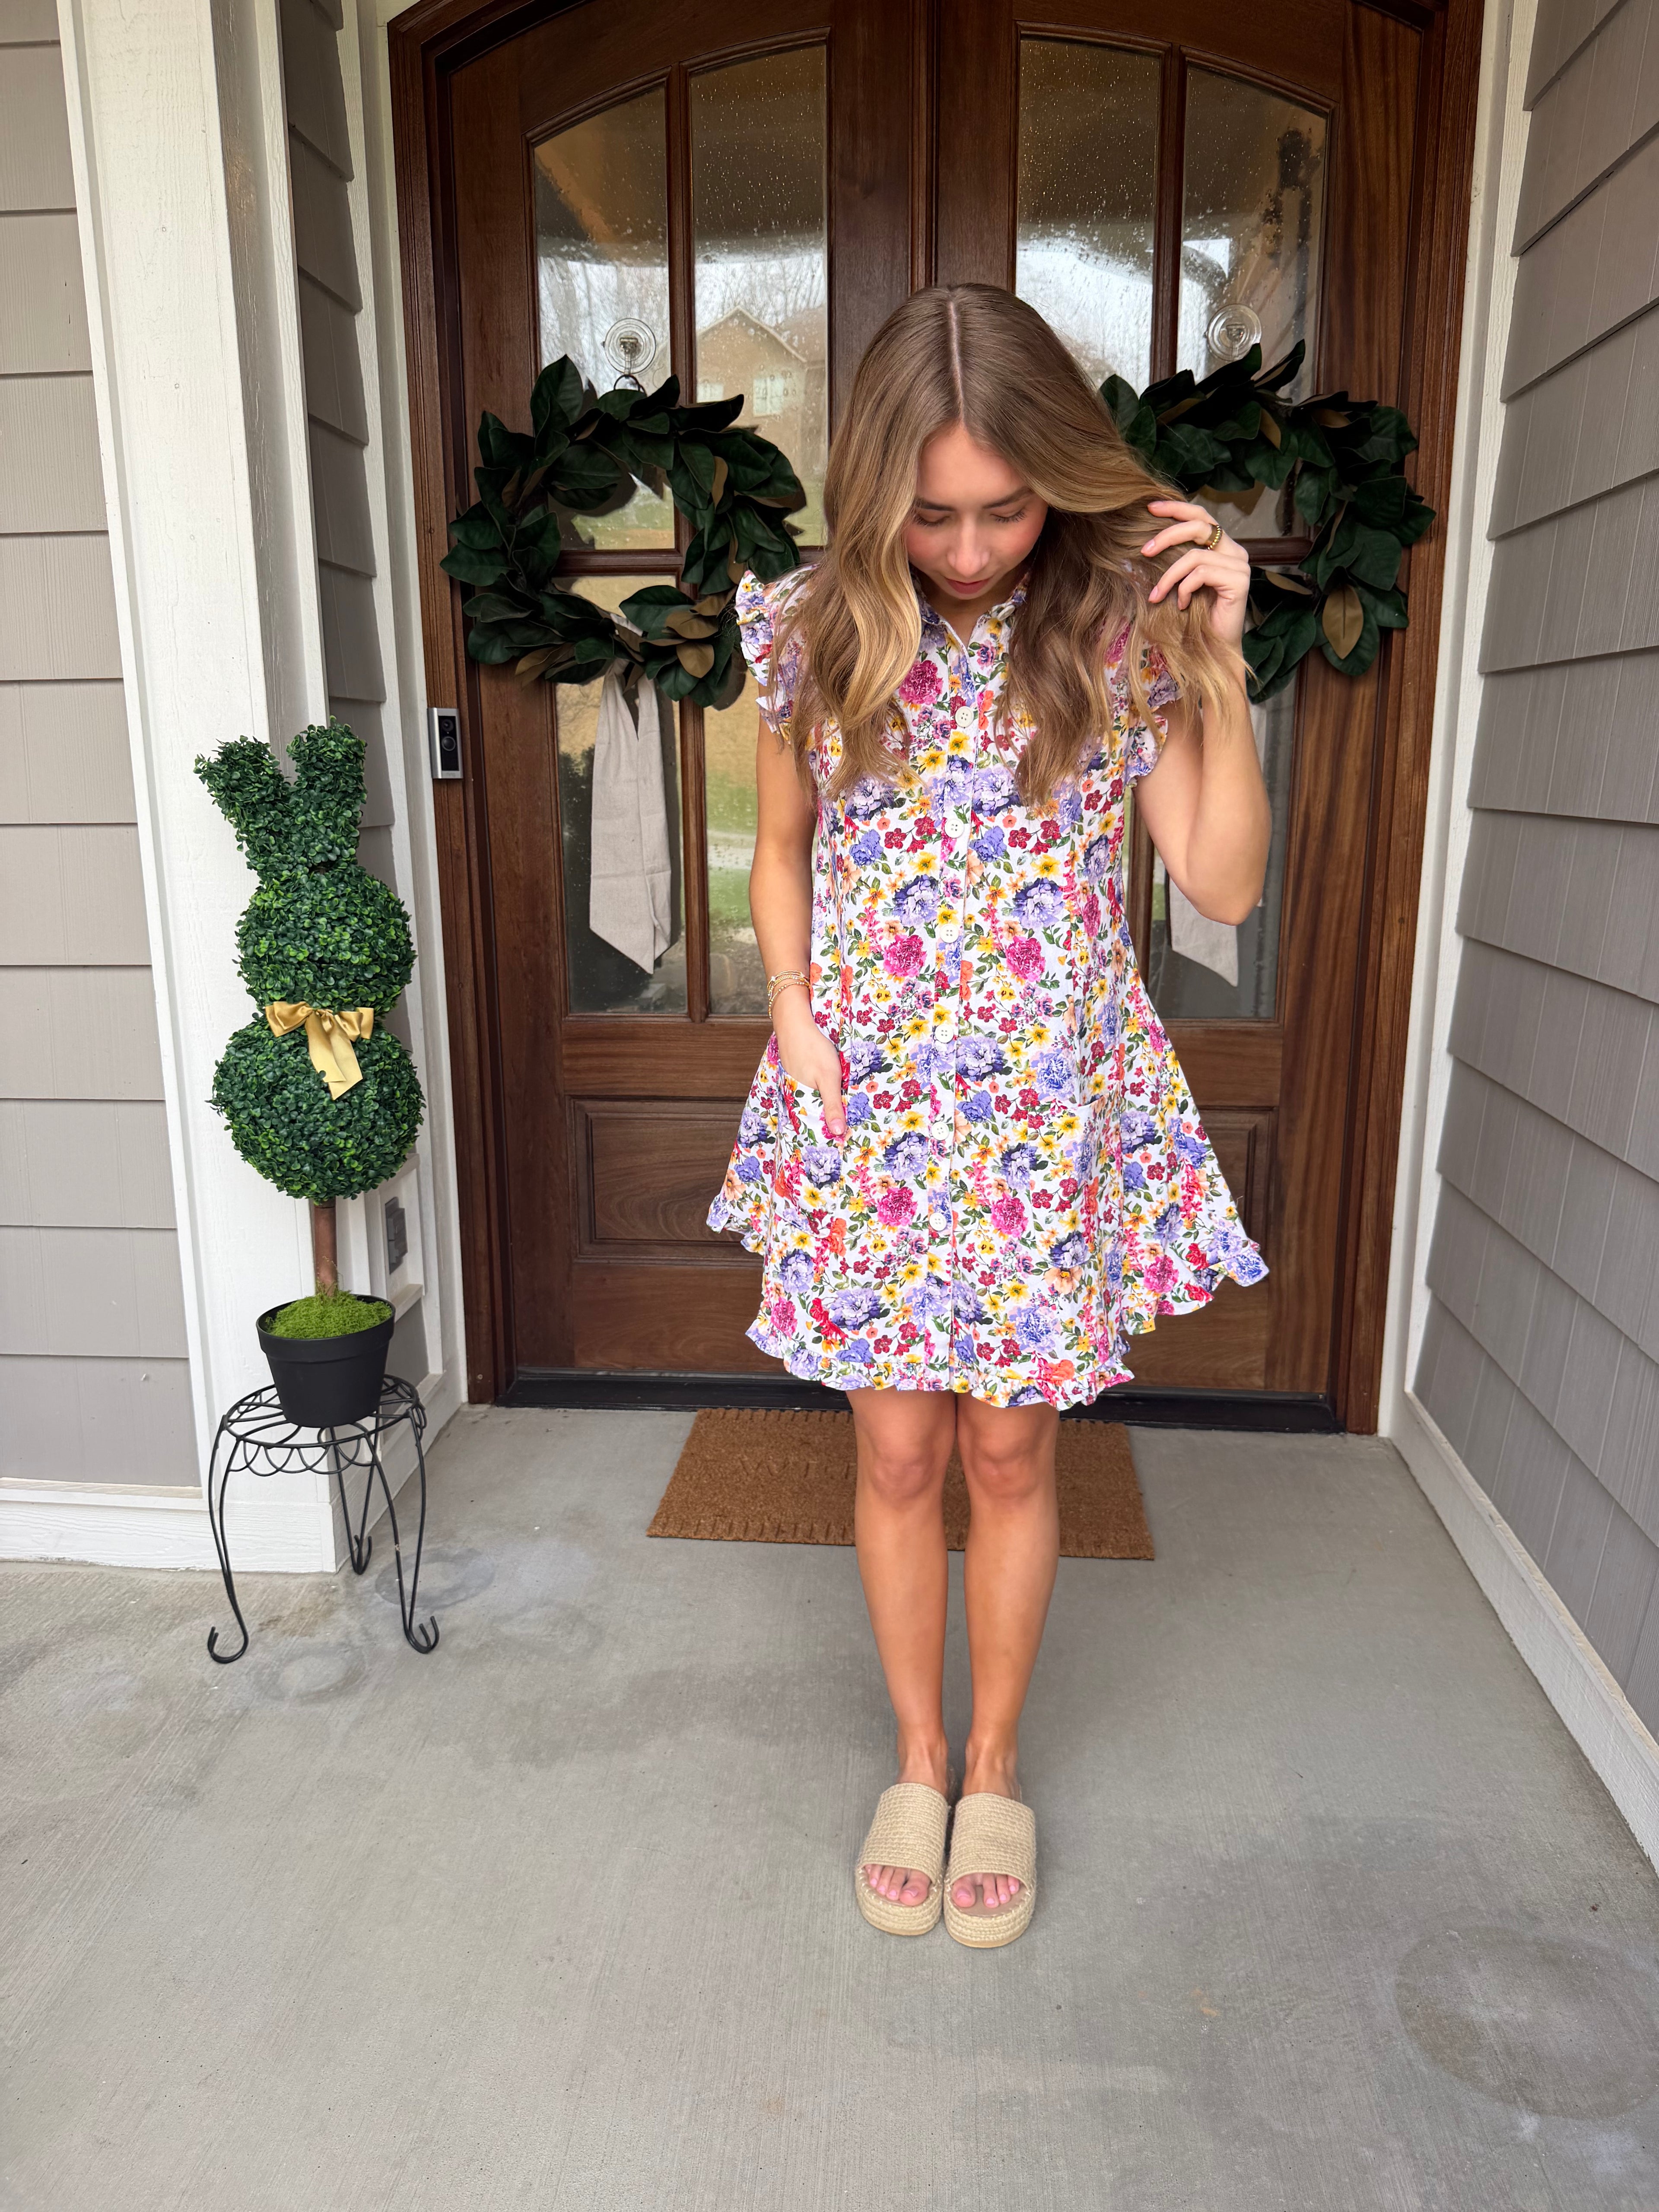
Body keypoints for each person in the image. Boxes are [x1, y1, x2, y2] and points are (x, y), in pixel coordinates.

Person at [706, 284, 1270, 1947]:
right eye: (933, 512)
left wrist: (1222, 669)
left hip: (1043, 1110)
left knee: (1014, 1448)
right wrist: (795, 1010)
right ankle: (918, 1755)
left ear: (1061, 480)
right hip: (871, 1099)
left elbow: (1223, 883)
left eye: (1006, 508)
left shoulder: (1120, 633)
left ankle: (1000, 1769)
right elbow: (782, 849)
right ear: (878, 487)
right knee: (894, 1448)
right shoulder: (813, 630)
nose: (967, 549)